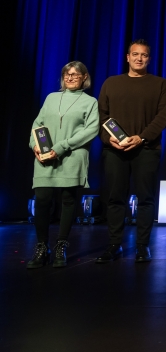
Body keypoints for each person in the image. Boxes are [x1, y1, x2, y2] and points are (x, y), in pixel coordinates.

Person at [95, 39, 166, 263]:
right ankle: (114, 245)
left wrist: (142, 137)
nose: (139, 58)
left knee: (146, 198)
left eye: (144, 55)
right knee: (115, 198)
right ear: (127, 57)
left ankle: (142, 246)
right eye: (135, 54)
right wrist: (110, 140)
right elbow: (102, 116)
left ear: (149, 59)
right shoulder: (111, 83)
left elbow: (163, 116)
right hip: (115, 149)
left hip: (146, 148)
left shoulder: (160, 84)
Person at [26, 62, 99, 269]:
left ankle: (61, 246)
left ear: (84, 77)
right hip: (45, 157)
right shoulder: (51, 97)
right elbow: (37, 124)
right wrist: (35, 146)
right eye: (67, 74)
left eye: (75, 74)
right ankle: (42, 247)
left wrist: (61, 147)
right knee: (42, 200)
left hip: (71, 157)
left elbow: (91, 130)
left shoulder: (90, 102)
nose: (70, 77)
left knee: (68, 200)